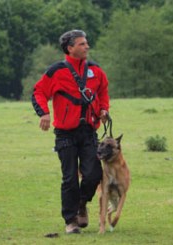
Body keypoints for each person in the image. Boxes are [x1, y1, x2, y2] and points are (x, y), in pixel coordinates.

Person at [31, 30, 109, 234]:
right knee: (70, 179)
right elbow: (38, 92)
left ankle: (82, 203)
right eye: (82, 44)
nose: (87, 47)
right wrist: (44, 113)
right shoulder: (56, 71)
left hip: (89, 130)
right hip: (65, 133)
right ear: (70, 48)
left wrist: (104, 109)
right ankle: (70, 221)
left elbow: (103, 91)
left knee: (93, 174)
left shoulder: (96, 70)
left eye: (86, 43)